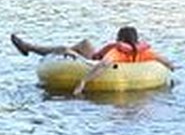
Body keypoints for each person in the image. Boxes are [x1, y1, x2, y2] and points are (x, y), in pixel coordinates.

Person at [10, 26, 175, 95]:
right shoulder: (146, 53)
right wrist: (172, 68)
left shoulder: (117, 52)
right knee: (85, 43)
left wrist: (83, 82)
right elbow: (165, 62)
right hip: (120, 68)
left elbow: (103, 65)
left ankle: (28, 47)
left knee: (63, 49)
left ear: (120, 39)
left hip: (91, 63)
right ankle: (28, 47)